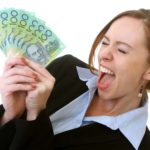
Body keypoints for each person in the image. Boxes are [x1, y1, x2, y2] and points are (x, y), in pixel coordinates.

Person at [0, 8, 150, 150]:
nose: (104, 54)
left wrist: (35, 115)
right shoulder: (65, 69)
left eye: (122, 50)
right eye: (105, 42)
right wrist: (11, 114)